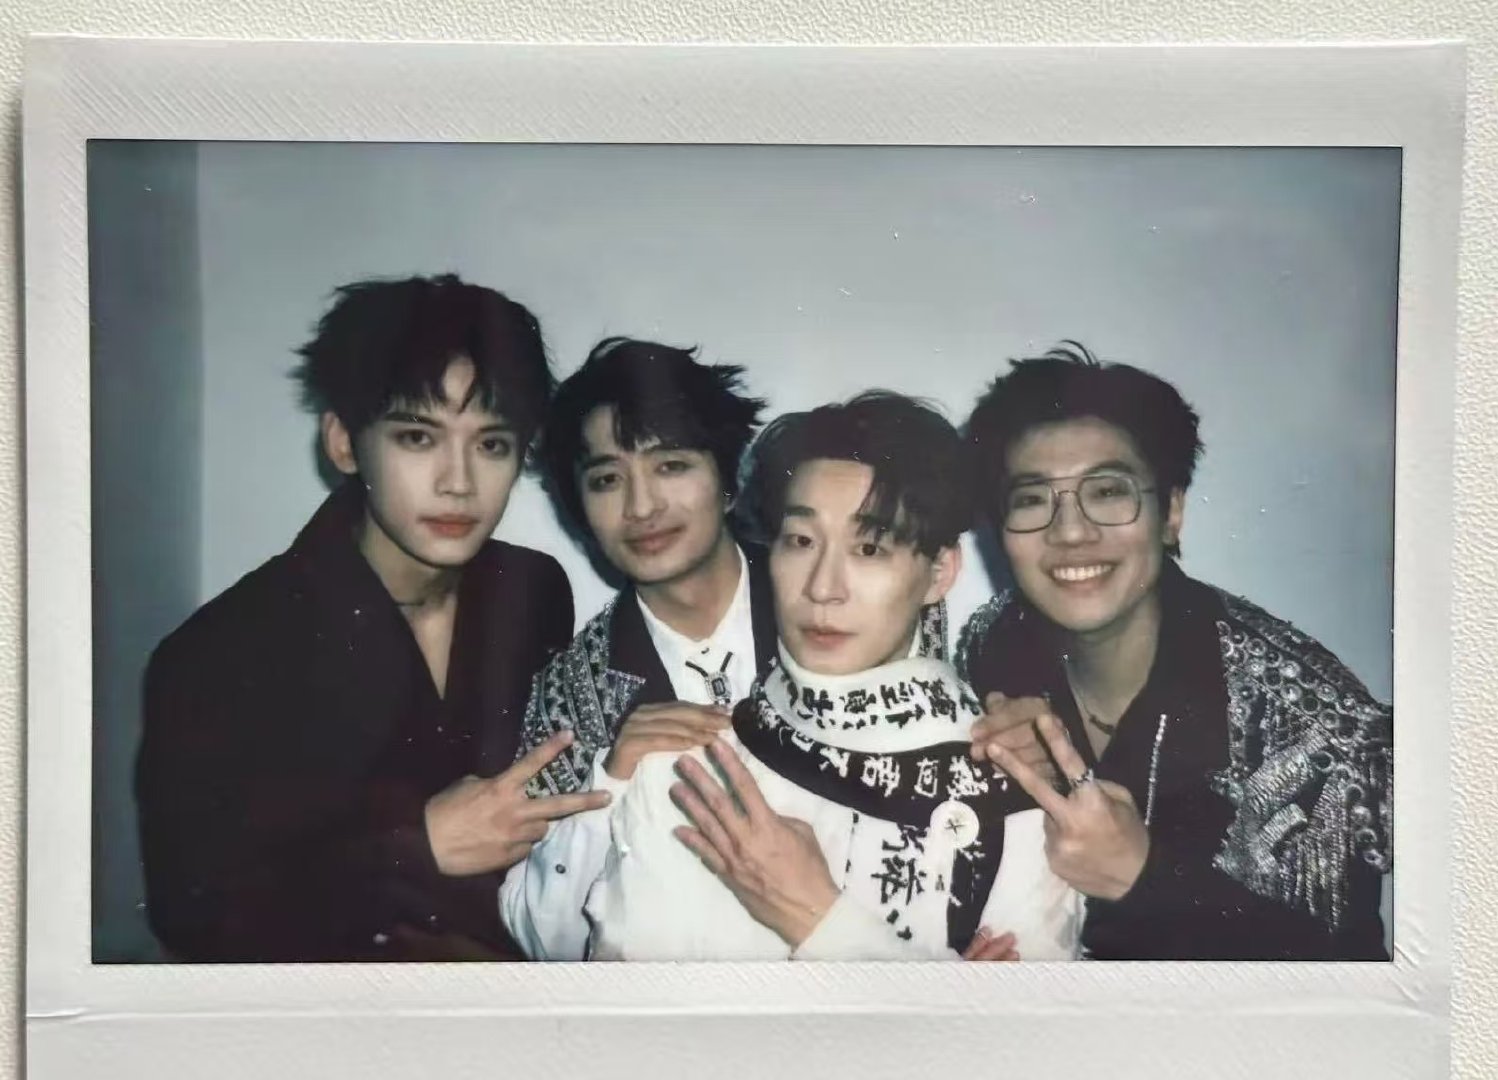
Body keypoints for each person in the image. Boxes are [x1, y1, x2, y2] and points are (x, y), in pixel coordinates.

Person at [136, 274, 609, 962]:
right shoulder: (219, 651)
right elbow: (192, 914)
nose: (458, 482)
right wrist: (416, 847)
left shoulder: (532, 589)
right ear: (343, 443)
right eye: (418, 437)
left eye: (491, 444)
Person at [583, 392, 1082, 960]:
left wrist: (819, 919)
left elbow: (1022, 1019)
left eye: (869, 548)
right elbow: (634, 1010)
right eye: (800, 542)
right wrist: (935, 987)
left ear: (939, 572)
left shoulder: (1016, 792)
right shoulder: (686, 769)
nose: (822, 587)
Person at [956, 342, 1392, 960]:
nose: (1071, 531)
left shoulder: (1312, 728)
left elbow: (1354, 983)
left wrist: (1145, 880)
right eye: (1031, 499)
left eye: (1108, 492)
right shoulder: (992, 644)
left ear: (1171, 513)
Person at [498, 337, 777, 960]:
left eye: (671, 465)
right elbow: (546, 943)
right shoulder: (570, 689)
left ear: (727, 479)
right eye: (607, 479)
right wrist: (613, 779)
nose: (642, 506)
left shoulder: (824, 602)